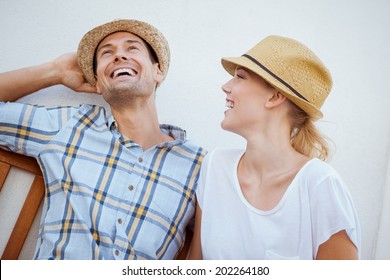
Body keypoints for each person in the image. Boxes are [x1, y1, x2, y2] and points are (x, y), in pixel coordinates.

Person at [0, 19, 206, 260]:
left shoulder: (199, 165)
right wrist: (54, 71)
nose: (119, 56)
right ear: (97, 83)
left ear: (157, 71)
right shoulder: (71, 125)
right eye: (107, 53)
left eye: (132, 48)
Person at [188, 35, 361, 260]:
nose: (226, 86)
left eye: (240, 77)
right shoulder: (215, 166)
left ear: (275, 96)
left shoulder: (319, 185)